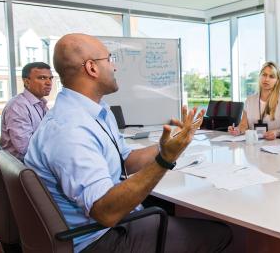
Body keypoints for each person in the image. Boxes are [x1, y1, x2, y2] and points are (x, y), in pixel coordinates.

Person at [25, 33, 232, 253]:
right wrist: (165, 159)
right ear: (92, 68)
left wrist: (171, 144)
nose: (114, 67)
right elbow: (106, 212)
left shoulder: (97, 111)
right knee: (222, 233)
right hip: (97, 240)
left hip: (104, 226)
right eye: (109, 59)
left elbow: (126, 159)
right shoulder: (70, 129)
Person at [0, 62, 53, 160]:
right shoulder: (17, 107)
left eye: (50, 78)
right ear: (27, 82)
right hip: (23, 167)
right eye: (42, 78)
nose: (49, 83)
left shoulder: (41, 105)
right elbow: (25, 148)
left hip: (36, 161)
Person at [228, 61, 280, 140]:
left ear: (277, 80)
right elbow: (244, 125)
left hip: (274, 144)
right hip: (253, 143)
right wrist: (237, 130)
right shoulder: (249, 100)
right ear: (260, 76)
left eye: (271, 76)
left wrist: (277, 132)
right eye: (264, 75)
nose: (266, 79)